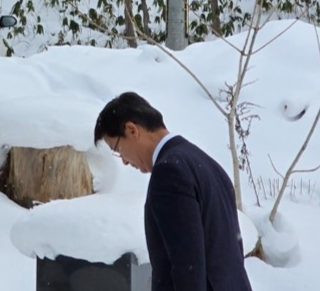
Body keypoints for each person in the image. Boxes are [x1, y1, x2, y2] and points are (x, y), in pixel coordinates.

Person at [94, 92, 253, 291]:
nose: (124, 161)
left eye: (117, 149)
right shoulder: (207, 164)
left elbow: (188, 267)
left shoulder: (170, 172)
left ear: (132, 130)